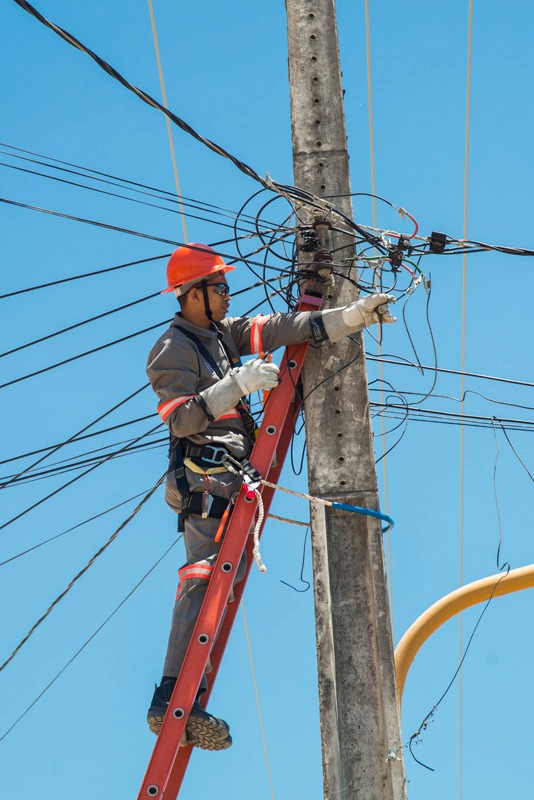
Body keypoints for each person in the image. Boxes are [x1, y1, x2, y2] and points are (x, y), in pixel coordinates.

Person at [145, 243, 396, 750]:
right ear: (192, 295)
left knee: (221, 578)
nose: (227, 294)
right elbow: (182, 419)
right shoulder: (173, 347)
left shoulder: (222, 335)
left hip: (235, 476)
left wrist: (349, 317)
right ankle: (171, 697)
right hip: (205, 477)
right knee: (203, 577)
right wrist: (232, 386)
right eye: (218, 287)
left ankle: (187, 696)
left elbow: (282, 328)